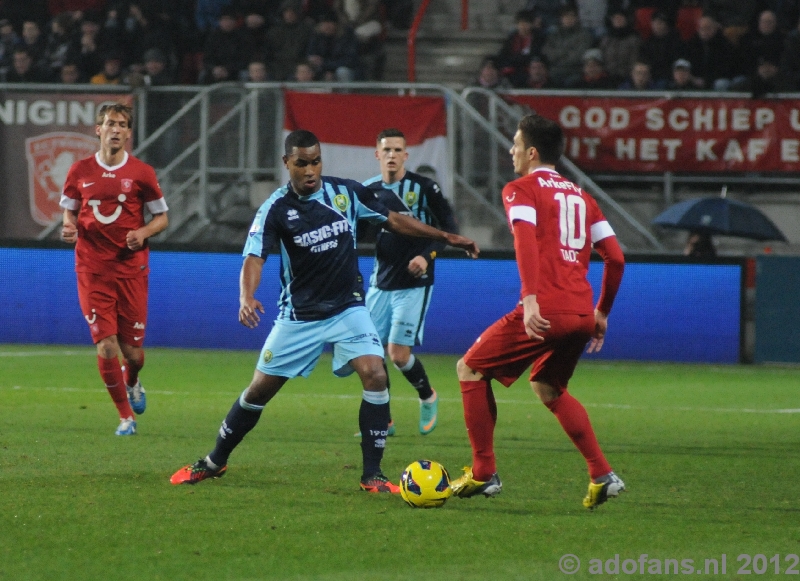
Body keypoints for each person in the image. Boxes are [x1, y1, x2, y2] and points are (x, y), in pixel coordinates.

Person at [170, 130, 479, 492]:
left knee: (376, 374)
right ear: (288, 164)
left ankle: (372, 474)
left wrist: (446, 237)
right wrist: (246, 297)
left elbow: (393, 219)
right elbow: (254, 256)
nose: (310, 170)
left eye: (316, 161)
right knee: (258, 392)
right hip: (300, 316)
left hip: (348, 307)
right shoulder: (275, 208)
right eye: (302, 163)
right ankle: (214, 460)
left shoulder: (345, 192)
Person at [449, 114, 626, 511]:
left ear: (531, 152)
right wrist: (602, 312)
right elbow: (615, 258)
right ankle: (601, 474)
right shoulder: (583, 197)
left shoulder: (521, 189)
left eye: (515, 144)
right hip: (581, 313)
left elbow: (525, 241)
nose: (510, 151)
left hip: (546, 309)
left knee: (470, 368)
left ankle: (483, 473)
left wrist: (530, 298)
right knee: (549, 386)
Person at [59, 102, 169, 436]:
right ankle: (125, 417)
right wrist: (68, 227)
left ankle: (132, 380)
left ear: (128, 133)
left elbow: (162, 217)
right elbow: (69, 213)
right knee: (106, 346)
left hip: (131, 270)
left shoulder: (141, 173)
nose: (116, 129)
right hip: (92, 269)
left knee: (133, 353)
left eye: (122, 124)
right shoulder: (79, 171)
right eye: (110, 123)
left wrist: (143, 232)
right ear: (98, 129)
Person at [360, 128, 457, 437]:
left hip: (415, 284)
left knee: (398, 354)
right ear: (377, 154)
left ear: (405, 155)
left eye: (397, 150)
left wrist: (427, 256)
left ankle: (427, 396)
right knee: (371, 356)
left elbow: (449, 231)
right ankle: (384, 421)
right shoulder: (366, 191)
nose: (391, 155)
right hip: (380, 283)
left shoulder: (426, 188)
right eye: (385, 149)